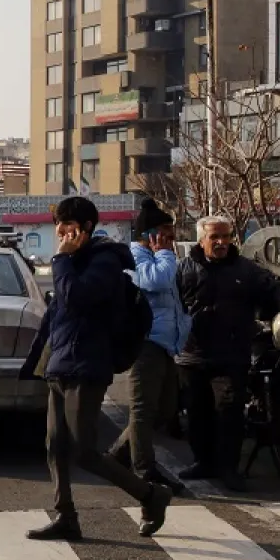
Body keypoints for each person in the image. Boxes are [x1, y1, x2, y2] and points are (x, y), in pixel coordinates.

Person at [19, 196, 172, 542]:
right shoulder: (74, 260)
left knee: (84, 450)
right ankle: (65, 516)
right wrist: (41, 360)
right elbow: (58, 315)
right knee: (55, 445)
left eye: (68, 225)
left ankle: (151, 495)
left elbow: (75, 297)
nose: (60, 231)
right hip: (61, 363)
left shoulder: (103, 262)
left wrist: (60, 259)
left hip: (87, 366)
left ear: (86, 227)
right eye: (58, 224)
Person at [175, 214, 280, 492]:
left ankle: (229, 469)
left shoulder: (245, 269)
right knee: (198, 413)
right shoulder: (184, 269)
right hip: (192, 354)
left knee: (229, 413)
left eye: (226, 236)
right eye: (215, 237)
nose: (221, 242)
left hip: (231, 355)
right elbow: (169, 303)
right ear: (202, 239)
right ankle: (204, 462)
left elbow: (272, 287)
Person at [106, 199, 190, 494]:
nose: (172, 237)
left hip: (167, 344)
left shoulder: (158, 254)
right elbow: (155, 282)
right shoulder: (136, 256)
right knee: (143, 411)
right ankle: (145, 470)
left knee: (165, 409)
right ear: (150, 233)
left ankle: (117, 455)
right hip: (146, 343)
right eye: (166, 231)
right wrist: (165, 254)